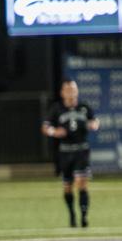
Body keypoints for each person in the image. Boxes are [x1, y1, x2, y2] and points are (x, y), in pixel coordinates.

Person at [41, 79, 99, 228]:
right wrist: (55, 132)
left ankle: (84, 216)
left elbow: (95, 120)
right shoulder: (57, 109)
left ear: (77, 91)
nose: (71, 92)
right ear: (62, 93)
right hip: (65, 152)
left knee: (81, 182)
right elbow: (45, 127)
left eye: (73, 89)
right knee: (68, 186)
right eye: (68, 90)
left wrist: (94, 125)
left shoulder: (84, 107)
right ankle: (72, 213)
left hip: (81, 150)